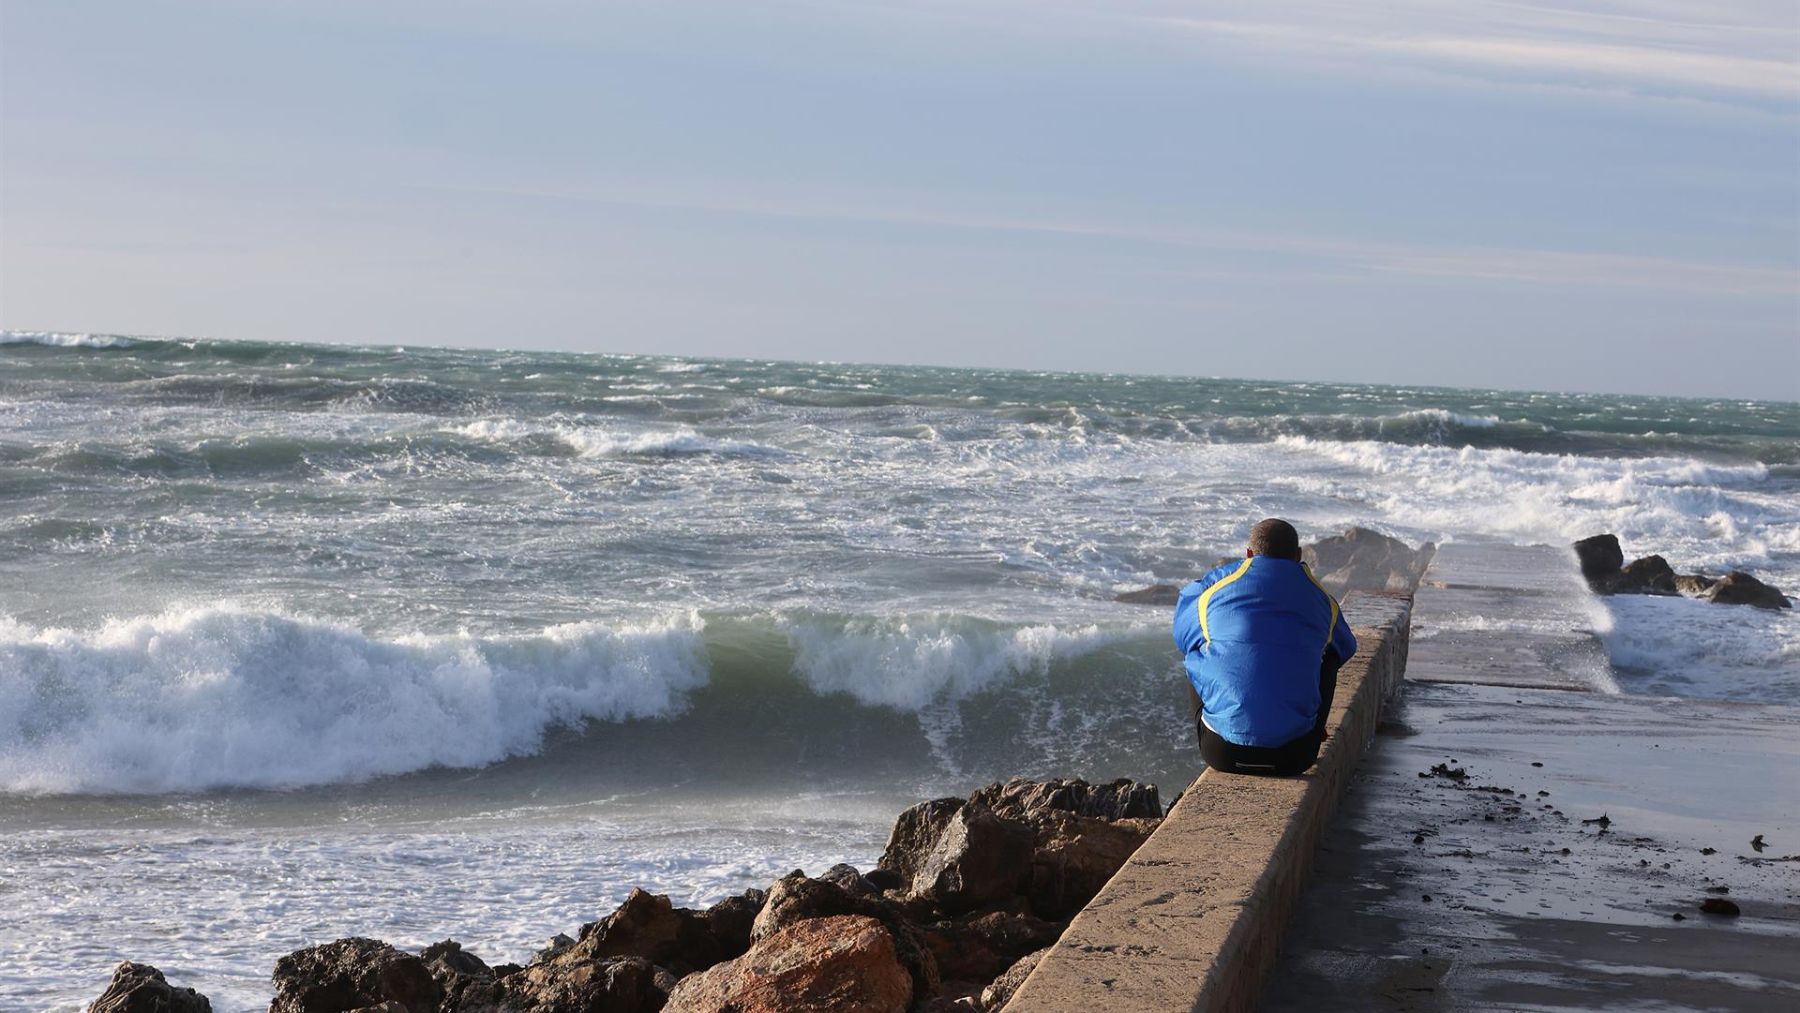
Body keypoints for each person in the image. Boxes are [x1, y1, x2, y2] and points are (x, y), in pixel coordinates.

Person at [1172, 518, 1356, 775]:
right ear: (1299, 555)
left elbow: (1182, 636)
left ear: (1249, 554)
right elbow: (1346, 647)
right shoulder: (1322, 601)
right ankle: (1315, 729)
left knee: (1197, 649)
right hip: (1295, 757)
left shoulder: (1213, 589)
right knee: (1330, 658)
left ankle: (1223, 722)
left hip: (1222, 754)